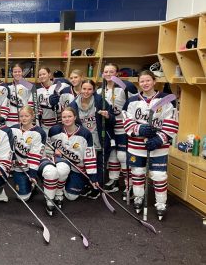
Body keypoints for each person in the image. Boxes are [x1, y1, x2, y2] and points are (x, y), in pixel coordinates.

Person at [122, 70, 178, 219]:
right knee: (138, 173)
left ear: (154, 81)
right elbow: (126, 120)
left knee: (159, 176)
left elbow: (172, 122)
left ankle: (161, 204)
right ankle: (139, 197)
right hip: (136, 146)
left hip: (158, 147)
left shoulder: (167, 99)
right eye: (142, 81)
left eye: (148, 80)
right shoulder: (132, 101)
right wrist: (139, 128)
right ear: (138, 83)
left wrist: (160, 139)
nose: (145, 84)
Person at [69, 79, 115, 198]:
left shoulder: (100, 101)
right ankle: (88, 185)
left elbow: (113, 119)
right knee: (85, 164)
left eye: (89, 89)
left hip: (99, 140)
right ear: (80, 89)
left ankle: (96, 187)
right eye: (84, 88)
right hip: (83, 141)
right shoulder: (73, 104)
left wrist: (108, 115)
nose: (86, 91)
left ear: (93, 90)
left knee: (99, 165)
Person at [98, 63, 138, 198]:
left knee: (123, 155)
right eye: (106, 72)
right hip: (108, 126)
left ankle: (130, 184)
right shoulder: (100, 90)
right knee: (112, 155)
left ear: (117, 73)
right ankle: (114, 180)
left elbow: (136, 104)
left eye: (111, 72)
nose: (108, 74)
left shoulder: (125, 87)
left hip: (122, 125)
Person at [48, 107, 98, 202]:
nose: (67, 119)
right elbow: (48, 149)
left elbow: (90, 157)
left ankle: (72, 184)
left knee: (71, 197)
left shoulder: (85, 133)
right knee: (54, 175)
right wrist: (54, 151)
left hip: (77, 169)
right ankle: (59, 185)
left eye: (69, 116)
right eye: (64, 117)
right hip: (60, 165)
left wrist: (93, 177)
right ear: (61, 118)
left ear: (75, 117)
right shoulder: (54, 131)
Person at [10, 106, 46, 201]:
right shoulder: (13, 129)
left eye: (27, 116)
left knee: (25, 197)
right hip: (18, 167)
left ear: (32, 116)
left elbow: (36, 155)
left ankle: (34, 181)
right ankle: (26, 183)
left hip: (32, 165)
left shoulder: (40, 132)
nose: (24, 118)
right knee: (23, 197)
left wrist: (33, 174)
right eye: (21, 116)